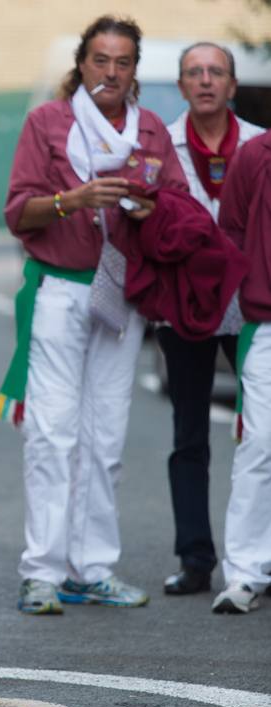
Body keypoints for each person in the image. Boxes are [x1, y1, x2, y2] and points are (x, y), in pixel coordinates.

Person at [0, 15, 187, 615]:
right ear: (82, 64)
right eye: (100, 60)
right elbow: (17, 213)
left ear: (136, 70)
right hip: (60, 287)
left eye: (123, 62)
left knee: (105, 436)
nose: (110, 72)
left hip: (123, 295)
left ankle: (93, 568)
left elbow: (180, 213)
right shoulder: (47, 123)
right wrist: (70, 200)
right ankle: (42, 573)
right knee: (53, 433)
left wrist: (147, 209)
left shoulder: (152, 130)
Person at [158, 43, 264, 597]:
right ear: (181, 86)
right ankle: (196, 559)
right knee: (189, 436)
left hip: (249, 308)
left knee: (264, 437)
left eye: (215, 72)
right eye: (194, 73)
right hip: (185, 308)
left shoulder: (259, 145)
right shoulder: (162, 146)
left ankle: (261, 559)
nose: (205, 81)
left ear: (231, 84)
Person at [213, 130, 271, 614]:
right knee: (260, 442)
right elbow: (230, 233)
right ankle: (246, 573)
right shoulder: (254, 155)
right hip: (267, 325)